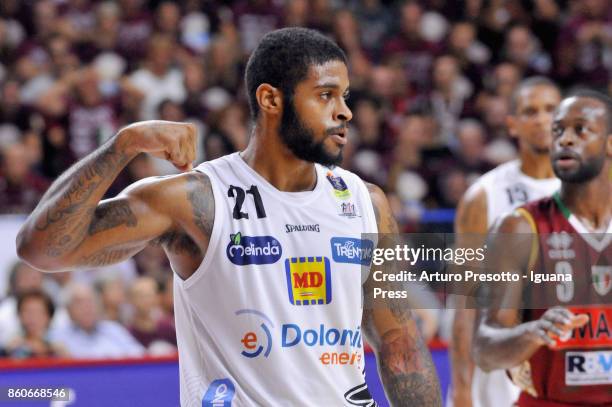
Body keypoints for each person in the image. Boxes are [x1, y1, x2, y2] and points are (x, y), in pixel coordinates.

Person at [17, 28, 441, 406]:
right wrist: (124, 145)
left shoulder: (366, 202)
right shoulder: (197, 200)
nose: (344, 111)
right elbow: (43, 249)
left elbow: (398, 341)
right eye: (326, 95)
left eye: (345, 96)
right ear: (271, 99)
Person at [473, 90, 611, 406]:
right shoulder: (519, 227)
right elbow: (484, 349)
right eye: (558, 130)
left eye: (581, 129)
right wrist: (535, 332)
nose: (565, 140)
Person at [449, 77, 562, 407]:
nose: (542, 119)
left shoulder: (592, 192)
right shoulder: (484, 195)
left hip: (570, 356)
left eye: (551, 110)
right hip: (500, 361)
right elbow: (464, 301)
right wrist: (461, 390)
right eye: (531, 111)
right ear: (512, 124)